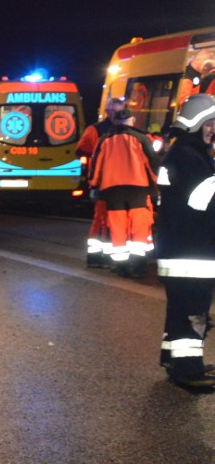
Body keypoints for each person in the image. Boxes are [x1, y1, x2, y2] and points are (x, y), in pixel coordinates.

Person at [155, 93, 215, 389]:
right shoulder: (189, 158)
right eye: (211, 123)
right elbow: (204, 202)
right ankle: (188, 370)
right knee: (192, 310)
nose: (214, 130)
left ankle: (173, 359)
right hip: (190, 252)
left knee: (179, 308)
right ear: (198, 124)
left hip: (180, 248)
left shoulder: (184, 153)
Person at [88, 108, 159, 278]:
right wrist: (157, 185)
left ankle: (120, 266)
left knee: (118, 228)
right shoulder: (141, 138)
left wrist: (94, 185)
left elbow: (95, 165)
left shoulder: (104, 139)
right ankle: (137, 265)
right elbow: (152, 163)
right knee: (139, 226)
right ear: (132, 120)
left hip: (112, 191)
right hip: (138, 189)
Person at [77, 97, 125, 268]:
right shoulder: (95, 130)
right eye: (113, 111)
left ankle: (109, 255)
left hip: (119, 180)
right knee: (101, 219)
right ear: (107, 112)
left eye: (119, 111)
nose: (116, 114)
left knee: (114, 220)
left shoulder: (125, 131)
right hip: (103, 180)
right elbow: (83, 151)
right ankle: (97, 257)